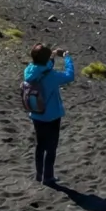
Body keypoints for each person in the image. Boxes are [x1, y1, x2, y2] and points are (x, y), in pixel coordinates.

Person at [24, 43, 76, 186]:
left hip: (36, 113)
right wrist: (66, 58)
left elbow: (45, 68)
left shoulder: (29, 70)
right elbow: (69, 75)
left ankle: (39, 174)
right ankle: (48, 176)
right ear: (46, 59)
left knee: (40, 145)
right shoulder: (51, 76)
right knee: (51, 147)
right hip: (51, 115)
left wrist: (52, 56)